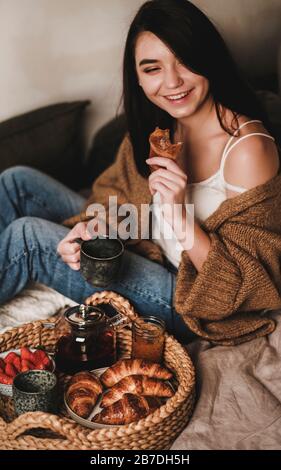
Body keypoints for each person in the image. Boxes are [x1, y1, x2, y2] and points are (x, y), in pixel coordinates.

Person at [1, 0, 281, 345]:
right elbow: (127, 204)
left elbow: (246, 288)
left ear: (209, 59)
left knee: (26, 237)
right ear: (137, 76)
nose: (172, 82)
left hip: (189, 300)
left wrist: (178, 213)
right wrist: (101, 227)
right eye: (152, 69)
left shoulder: (248, 149)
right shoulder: (158, 129)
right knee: (16, 181)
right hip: (148, 246)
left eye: (185, 62)